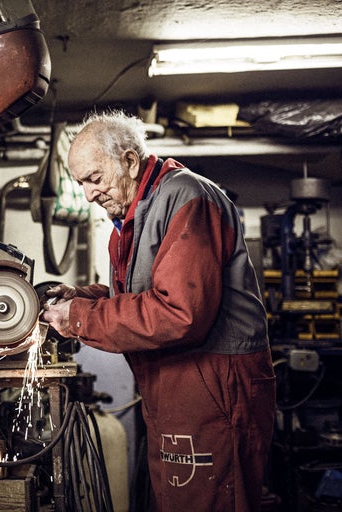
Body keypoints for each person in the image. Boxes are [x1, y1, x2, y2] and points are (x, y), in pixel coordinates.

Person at [42, 110, 276, 511]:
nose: (88, 195)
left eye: (94, 179)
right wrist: (78, 296)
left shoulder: (186, 198)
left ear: (130, 162)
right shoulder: (136, 215)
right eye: (80, 183)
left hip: (214, 387)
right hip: (177, 387)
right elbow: (136, 294)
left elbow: (178, 313)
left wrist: (80, 317)